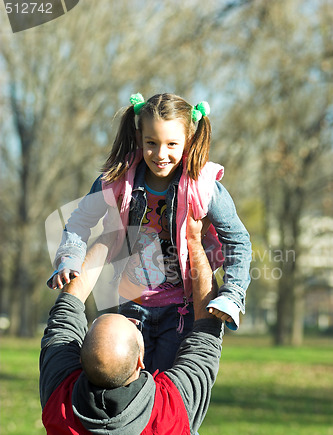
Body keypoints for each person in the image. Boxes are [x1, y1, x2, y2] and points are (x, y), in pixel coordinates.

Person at [47, 92, 252, 373]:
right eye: (151, 143)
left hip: (183, 310)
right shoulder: (116, 180)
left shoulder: (204, 187)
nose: (160, 154)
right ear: (139, 137)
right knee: (130, 392)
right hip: (132, 306)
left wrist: (232, 294)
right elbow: (80, 221)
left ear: (188, 142)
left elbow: (238, 241)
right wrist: (70, 258)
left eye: (171, 144)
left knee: (168, 392)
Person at [40, 210, 224, 435]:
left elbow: (65, 315)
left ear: (79, 359)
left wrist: (110, 235)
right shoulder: (171, 410)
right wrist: (194, 243)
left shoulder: (59, 398)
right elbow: (205, 332)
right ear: (142, 360)